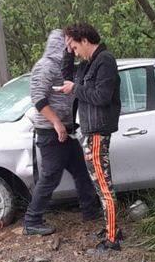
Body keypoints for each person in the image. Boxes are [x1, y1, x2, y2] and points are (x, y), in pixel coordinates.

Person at [23, 29, 101, 236]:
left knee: (82, 171)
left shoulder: (64, 65)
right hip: (51, 131)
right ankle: (32, 221)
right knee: (50, 177)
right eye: (67, 43)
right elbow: (38, 99)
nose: (71, 47)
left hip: (67, 131)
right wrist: (56, 123)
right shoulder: (44, 66)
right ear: (59, 43)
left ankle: (91, 212)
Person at [60, 23, 122, 251]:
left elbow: (102, 96)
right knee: (101, 184)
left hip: (98, 130)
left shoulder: (104, 60)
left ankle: (113, 239)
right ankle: (112, 228)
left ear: (85, 40)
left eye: (74, 47)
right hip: (90, 129)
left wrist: (75, 89)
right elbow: (67, 78)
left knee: (103, 186)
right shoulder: (89, 63)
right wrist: (67, 52)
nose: (74, 52)